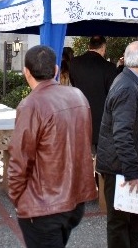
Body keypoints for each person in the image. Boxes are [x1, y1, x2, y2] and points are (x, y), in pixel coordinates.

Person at [8, 45, 97, 248]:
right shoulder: (78, 96)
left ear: (26, 72)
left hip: (44, 205)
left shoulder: (31, 105)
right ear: (56, 70)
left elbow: (19, 160)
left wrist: (17, 198)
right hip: (74, 200)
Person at [96, 41, 138, 248]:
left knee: (132, 223)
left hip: (124, 167)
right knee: (120, 224)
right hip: (120, 169)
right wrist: (132, 172)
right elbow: (121, 135)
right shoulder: (128, 86)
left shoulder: (130, 82)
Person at [69, 36, 118, 153]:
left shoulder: (74, 63)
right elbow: (113, 93)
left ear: (89, 46)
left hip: (79, 116)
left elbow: (74, 84)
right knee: (100, 160)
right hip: (102, 120)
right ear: (103, 48)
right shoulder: (109, 67)